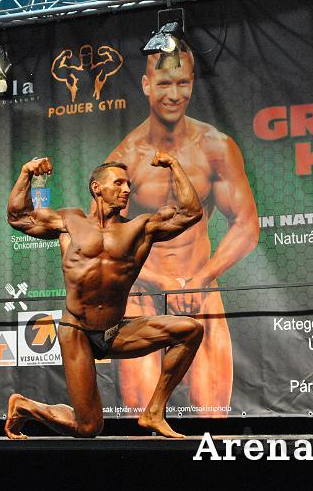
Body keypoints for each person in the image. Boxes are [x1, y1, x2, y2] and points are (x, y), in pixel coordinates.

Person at [5, 154, 204, 439]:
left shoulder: (140, 228)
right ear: (97, 188)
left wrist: (174, 165)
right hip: (77, 331)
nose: (126, 190)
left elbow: (190, 213)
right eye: (118, 183)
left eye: (128, 184)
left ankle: (154, 412)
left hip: (114, 331)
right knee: (88, 427)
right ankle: (25, 406)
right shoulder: (69, 221)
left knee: (190, 329)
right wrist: (26, 172)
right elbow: (18, 217)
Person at [105, 50, 259, 415]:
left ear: (192, 84)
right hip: (143, 294)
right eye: (164, 84)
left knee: (213, 418)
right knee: (142, 418)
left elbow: (246, 224)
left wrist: (201, 280)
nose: (174, 95)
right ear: (147, 85)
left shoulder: (215, 147)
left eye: (182, 83)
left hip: (199, 292)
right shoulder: (126, 157)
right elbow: (106, 241)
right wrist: (158, 281)